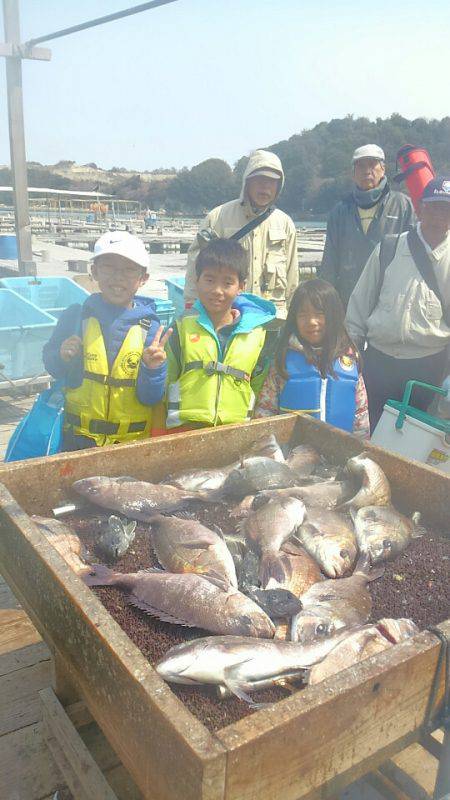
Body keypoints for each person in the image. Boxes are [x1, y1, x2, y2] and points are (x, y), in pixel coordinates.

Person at [43, 231, 170, 451]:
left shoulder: (153, 332)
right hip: (77, 440)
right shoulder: (75, 317)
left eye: (129, 269)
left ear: (143, 278)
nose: (118, 277)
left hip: (132, 444)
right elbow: (53, 367)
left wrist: (153, 370)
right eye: (109, 267)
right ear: (94, 271)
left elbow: (151, 397)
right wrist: (61, 356)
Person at [346, 176, 450, 432]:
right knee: (373, 434)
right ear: (419, 208)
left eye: (447, 208)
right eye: (434, 206)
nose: (440, 214)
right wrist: (349, 356)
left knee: (418, 441)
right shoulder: (389, 248)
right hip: (379, 362)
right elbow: (359, 305)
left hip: (430, 367)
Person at [166, 238, 278, 431]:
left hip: (235, 432)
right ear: (196, 280)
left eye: (228, 283)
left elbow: (260, 390)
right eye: (209, 280)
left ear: (241, 286)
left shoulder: (258, 337)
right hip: (184, 432)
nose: (217, 291)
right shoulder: (179, 328)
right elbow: (165, 383)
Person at [183, 149, 298, 318]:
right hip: (226, 315)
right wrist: (192, 311)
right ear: (247, 182)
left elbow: (292, 275)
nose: (265, 187)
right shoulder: (218, 217)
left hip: (272, 317)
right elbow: (196, 266)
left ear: (279, 186)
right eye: (260, 180)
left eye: (272, 182)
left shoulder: (285, 224)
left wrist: (293, 318)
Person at [255, 278, 369, 438]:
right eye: (303, 315)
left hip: (340, 455)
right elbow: (265, 412)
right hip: (293, 457)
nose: (311, 322)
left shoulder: (350, 362)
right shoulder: (281, 362)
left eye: (319, 314)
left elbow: (361, 418)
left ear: (334, 316)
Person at [318, 144, 415, 307]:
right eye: (361, 165)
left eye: (372, 164)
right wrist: (326, 305)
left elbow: (416, 255)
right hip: (348, 302)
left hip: (391, 302)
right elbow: (329, 262)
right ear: (353, 173)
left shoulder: (403, 205)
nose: (367, 170)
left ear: (383, 169)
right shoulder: (340, 212)